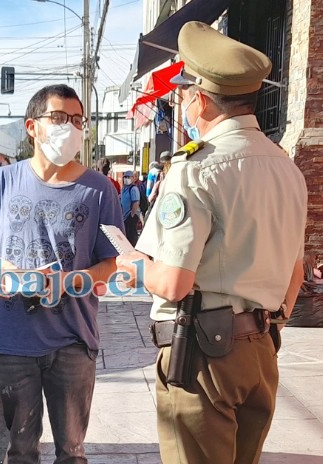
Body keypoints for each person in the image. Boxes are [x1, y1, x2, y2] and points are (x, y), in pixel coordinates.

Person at [116, 21, 307, 464]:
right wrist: (268, 325)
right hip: (261, 349)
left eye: (183, 92)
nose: (182, 101)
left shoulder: (195, 168)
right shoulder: (287, 169)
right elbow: (295, 273)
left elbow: (174, 283)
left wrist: (132, 264)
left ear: (199, 98)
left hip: (206, 354)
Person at [0, 83, 124, 464]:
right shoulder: (2, 181)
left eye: (77, 120)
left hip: (72, 340)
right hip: (13, 340)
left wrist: (70, 281)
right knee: (21, 450)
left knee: (71, 452)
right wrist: (3, 268)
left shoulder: (99, 189)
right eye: (58, 118)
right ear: (32, 126)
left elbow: (113, 262)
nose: (69, 127)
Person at [120, 170, 140, 246]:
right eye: (125, 177)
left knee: (131, 236)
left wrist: (132, 215)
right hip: (125, 216)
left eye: (128, 177)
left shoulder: (133, 189)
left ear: (132, 178)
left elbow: (136, 203)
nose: (126, 179)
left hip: (131, 216)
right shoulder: (124, 189)